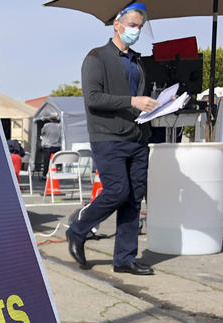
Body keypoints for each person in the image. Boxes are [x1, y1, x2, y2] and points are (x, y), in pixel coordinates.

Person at [66, 2, 158, 275]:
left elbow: (139, 99)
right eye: (132, 25)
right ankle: (78, 229)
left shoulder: (138, 61)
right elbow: (93, 99)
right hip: (108, 137)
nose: (136, 31)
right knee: (118, 191)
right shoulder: (96, 58)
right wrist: (132, 100)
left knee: (133, 198)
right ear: (117, 25)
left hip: (138, 137)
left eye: (139, 27)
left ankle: (125, 259)